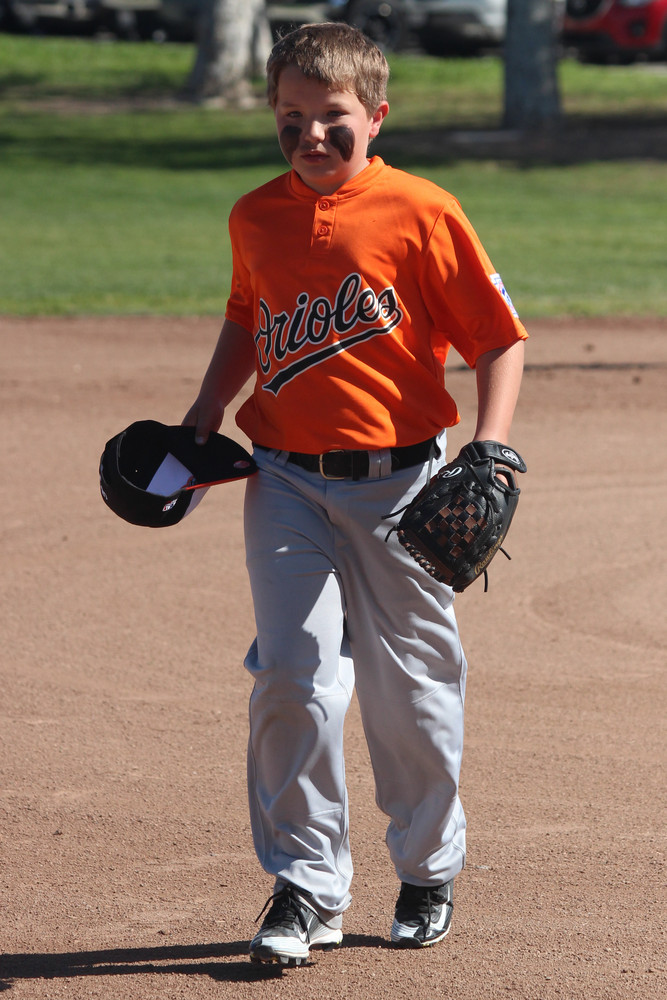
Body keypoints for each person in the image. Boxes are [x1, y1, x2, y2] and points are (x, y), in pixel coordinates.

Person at [183, 21, 527, 966]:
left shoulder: (422, 210)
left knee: (409, 689)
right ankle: (306, 885)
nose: (310, 135)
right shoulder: (255, 215)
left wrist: (490, 449)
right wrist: (205, 412)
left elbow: (497, 338)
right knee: (292, 676)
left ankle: (426, 865)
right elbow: (248, 314)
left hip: (403, 487)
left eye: (331, 116)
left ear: (375, 116)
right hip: (284, 478)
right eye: (290, 115)